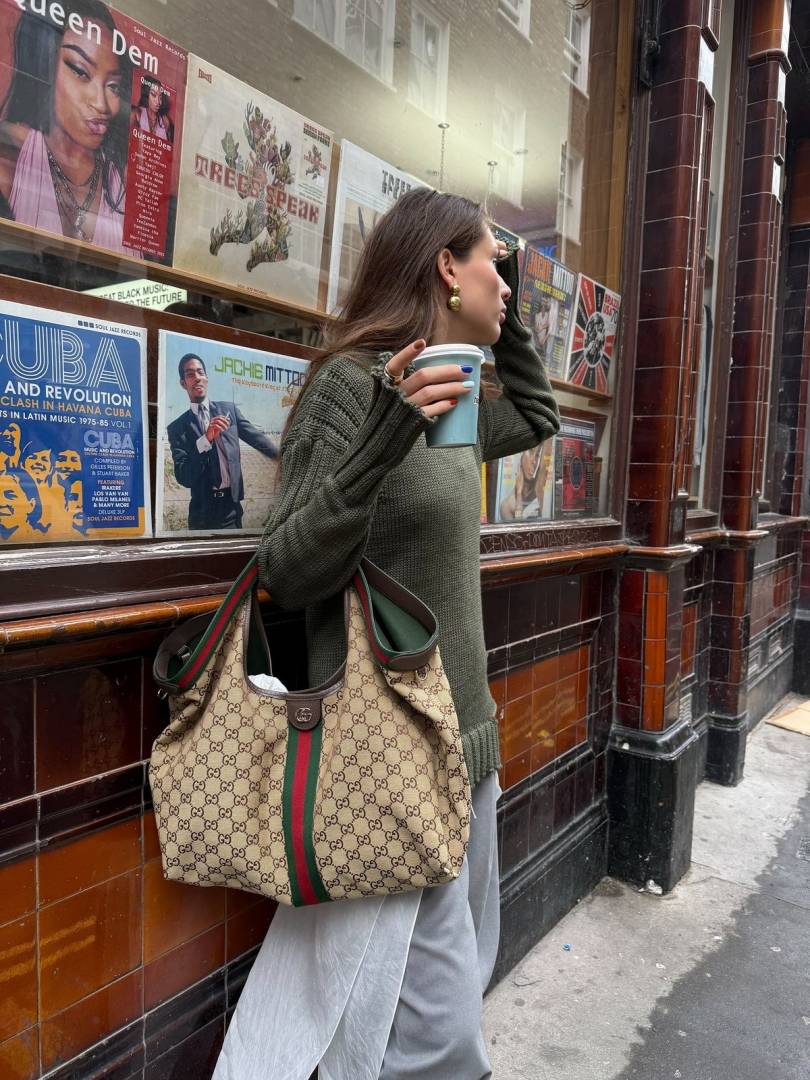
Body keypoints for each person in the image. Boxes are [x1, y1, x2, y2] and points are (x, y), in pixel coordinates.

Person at [214, 187, 559, 1080]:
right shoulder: (352, 386)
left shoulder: (454, 394)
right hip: (391, 754)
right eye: (491, 265)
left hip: (468, 742)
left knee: (455, 988)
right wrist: (385, 432)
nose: (506, 285)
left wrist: (503, 319)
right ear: (445, 267)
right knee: (441, 1043)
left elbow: (539, 415)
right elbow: (288, 569)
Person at [0, 0, 135, 253]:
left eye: (113, 86)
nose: (101, 104)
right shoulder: (9, 158)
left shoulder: (124, 184)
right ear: (44, 64)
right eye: (80, 71)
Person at [167, 353, 278, 531]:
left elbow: (257, 438)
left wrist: (283, 457)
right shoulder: (177, 428)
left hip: (231, 508)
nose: (197, 378)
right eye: (190, 374)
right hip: (201, 514)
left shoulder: (229, 410)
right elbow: (184, 477)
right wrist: (205, 439)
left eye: (200, 372)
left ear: (207, 378)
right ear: (183, 383)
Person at [131, 75, 174, 143]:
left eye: (160, 97)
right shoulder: (136, 114)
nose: (158, 102)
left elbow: (170, 148)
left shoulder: (165, 121)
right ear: (146, 95)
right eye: (154, 95)